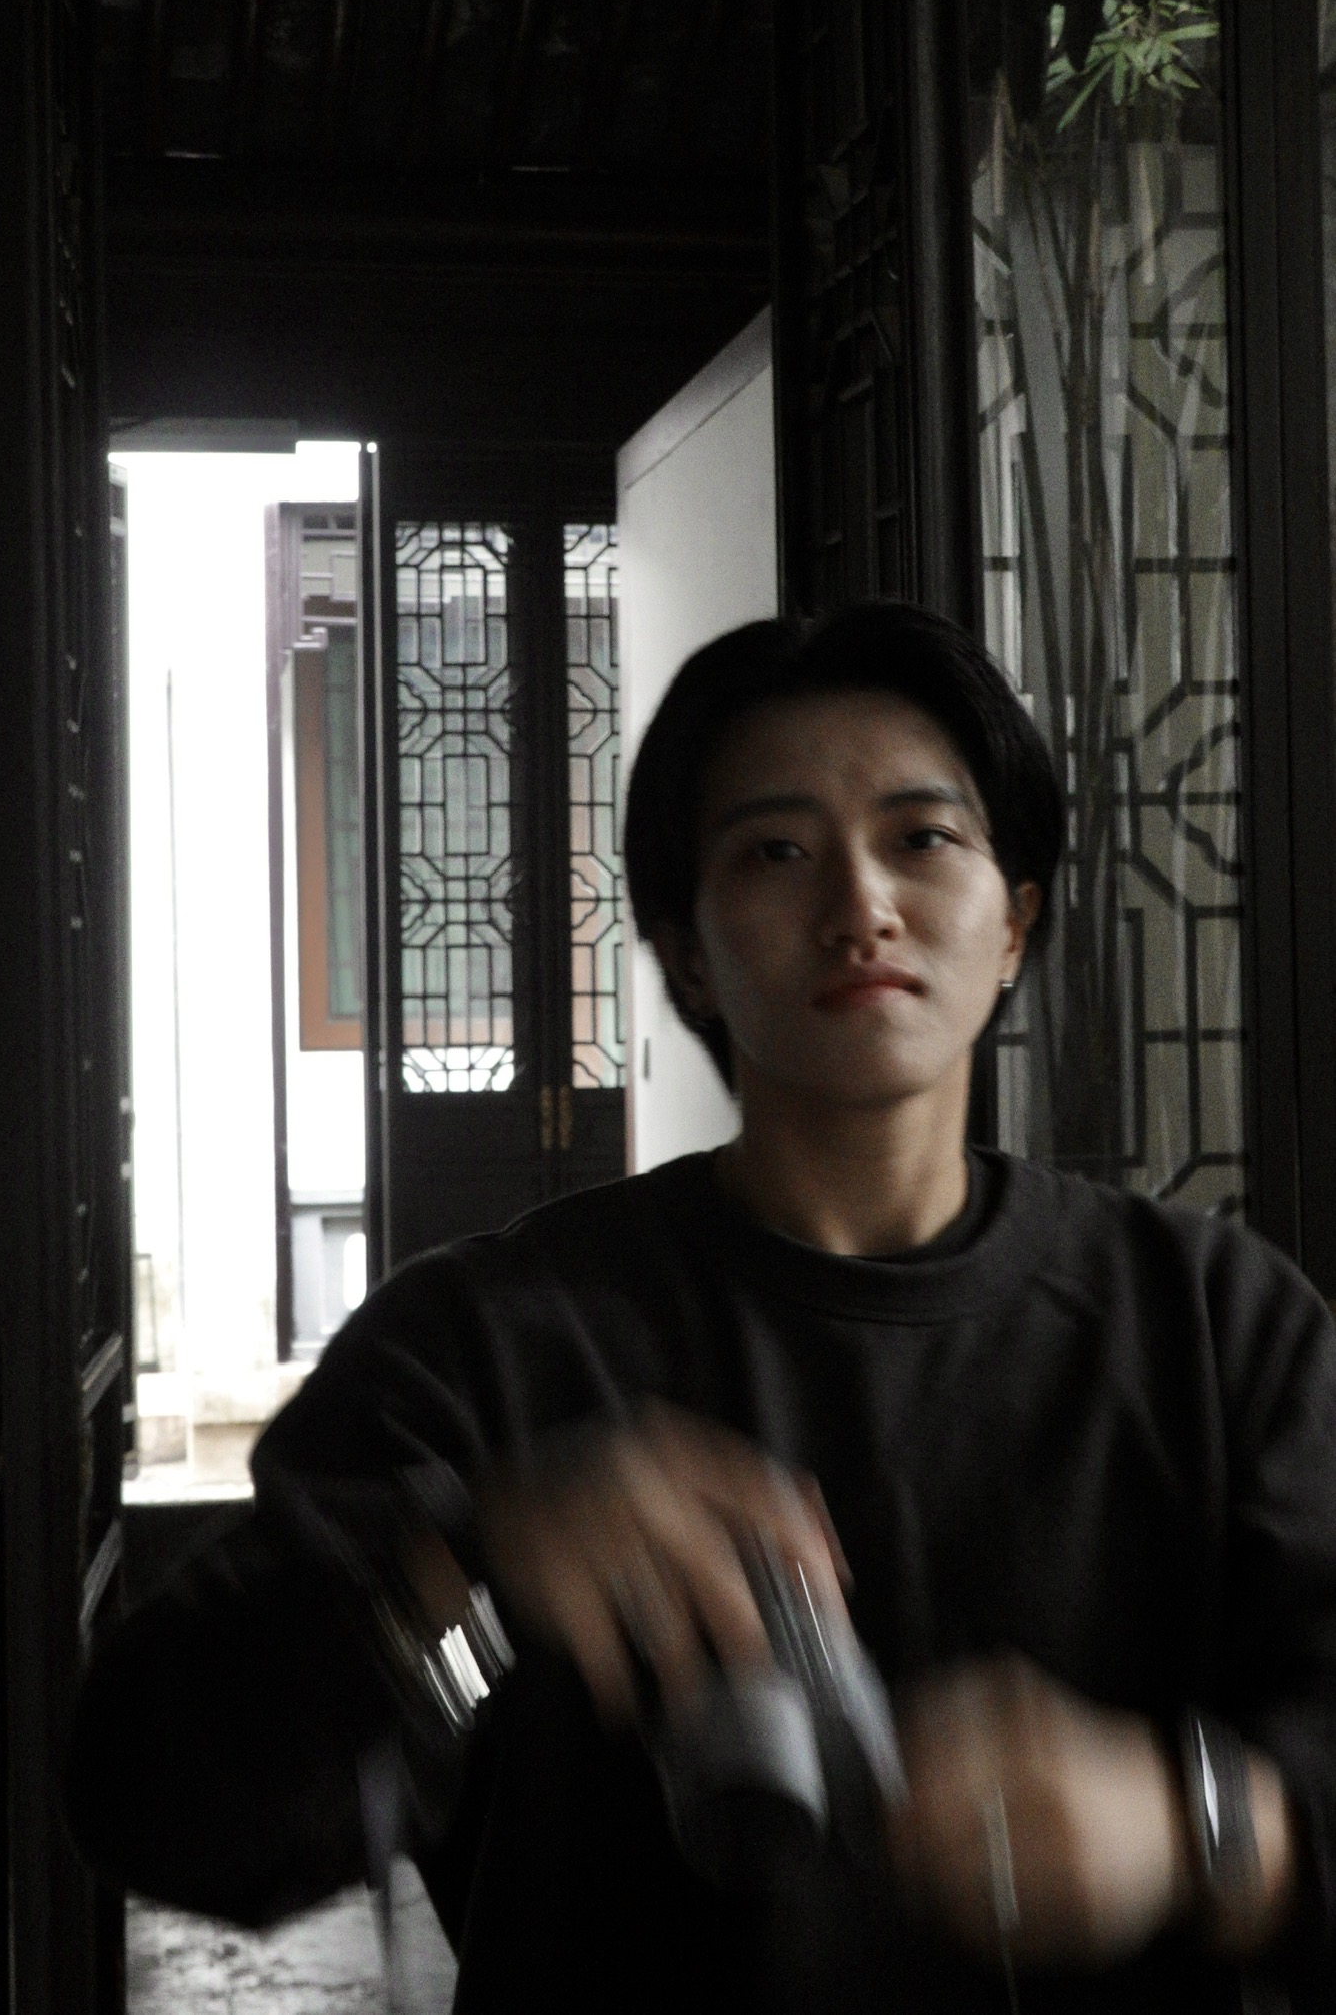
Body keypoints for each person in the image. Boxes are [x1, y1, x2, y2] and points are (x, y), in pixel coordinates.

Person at [68, 601, 1336, 2014]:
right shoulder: (484, 1346)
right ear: (683, 954)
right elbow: (153, 1802)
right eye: (776, 851)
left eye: (924, 838)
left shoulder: (1218, 1331)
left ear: (1016, 922)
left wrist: (1199, 1828)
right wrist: (475, 1575)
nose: (860, 905)